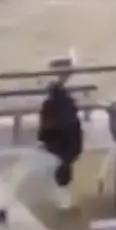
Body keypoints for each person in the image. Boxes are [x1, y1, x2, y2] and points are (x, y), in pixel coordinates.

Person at [37, 61, 83, 211]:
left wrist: (42, 138)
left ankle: (61, 194)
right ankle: (62, 194)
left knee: (59, 167)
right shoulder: (66, 104)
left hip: (58, 141)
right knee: (61, 166)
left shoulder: (51, 105)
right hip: (65, 141)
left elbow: (47, 125)